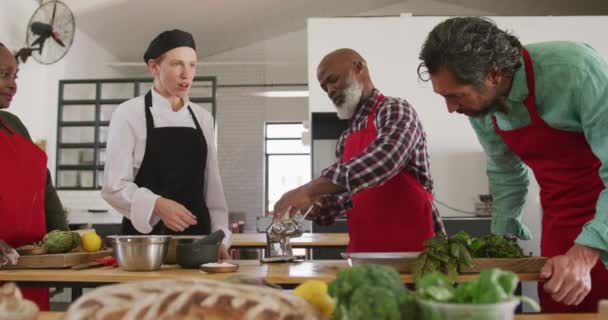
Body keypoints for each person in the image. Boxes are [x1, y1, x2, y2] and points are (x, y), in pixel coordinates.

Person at [419, 17, 608, 312]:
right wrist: (500, 242)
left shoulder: (575, 70)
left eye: (455, 96)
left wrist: (584, 255)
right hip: (559, 220)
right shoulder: (481, 106)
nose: (451, 108)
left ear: (493, 75)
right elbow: (505, 171)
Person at [274, 48, 444, 253]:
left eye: (333, 79)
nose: (329, 90)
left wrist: (308, 190)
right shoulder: (346, 138)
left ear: (359, 68)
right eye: (324, 87)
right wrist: (312, 206)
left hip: (416, 251)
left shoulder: (395, 109)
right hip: (366, 253)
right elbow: (341, 200)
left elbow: (385, 160)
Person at [101, 30, 231, 257]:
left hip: (197, 242)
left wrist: (220, 236)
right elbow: (114, 186)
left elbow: (212, 187)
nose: (186, 74)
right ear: (154, 67)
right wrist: (157, 204)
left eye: (192, 65)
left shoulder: (203, 118)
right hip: (145, 245)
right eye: (177, 64)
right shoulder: (129, 114)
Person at [0, 41, 69, 310]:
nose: (13, 84)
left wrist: (63, 240)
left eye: (15, 76)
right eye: (3, 74)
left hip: (30, 268)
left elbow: (44, 187)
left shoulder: (14, 125)